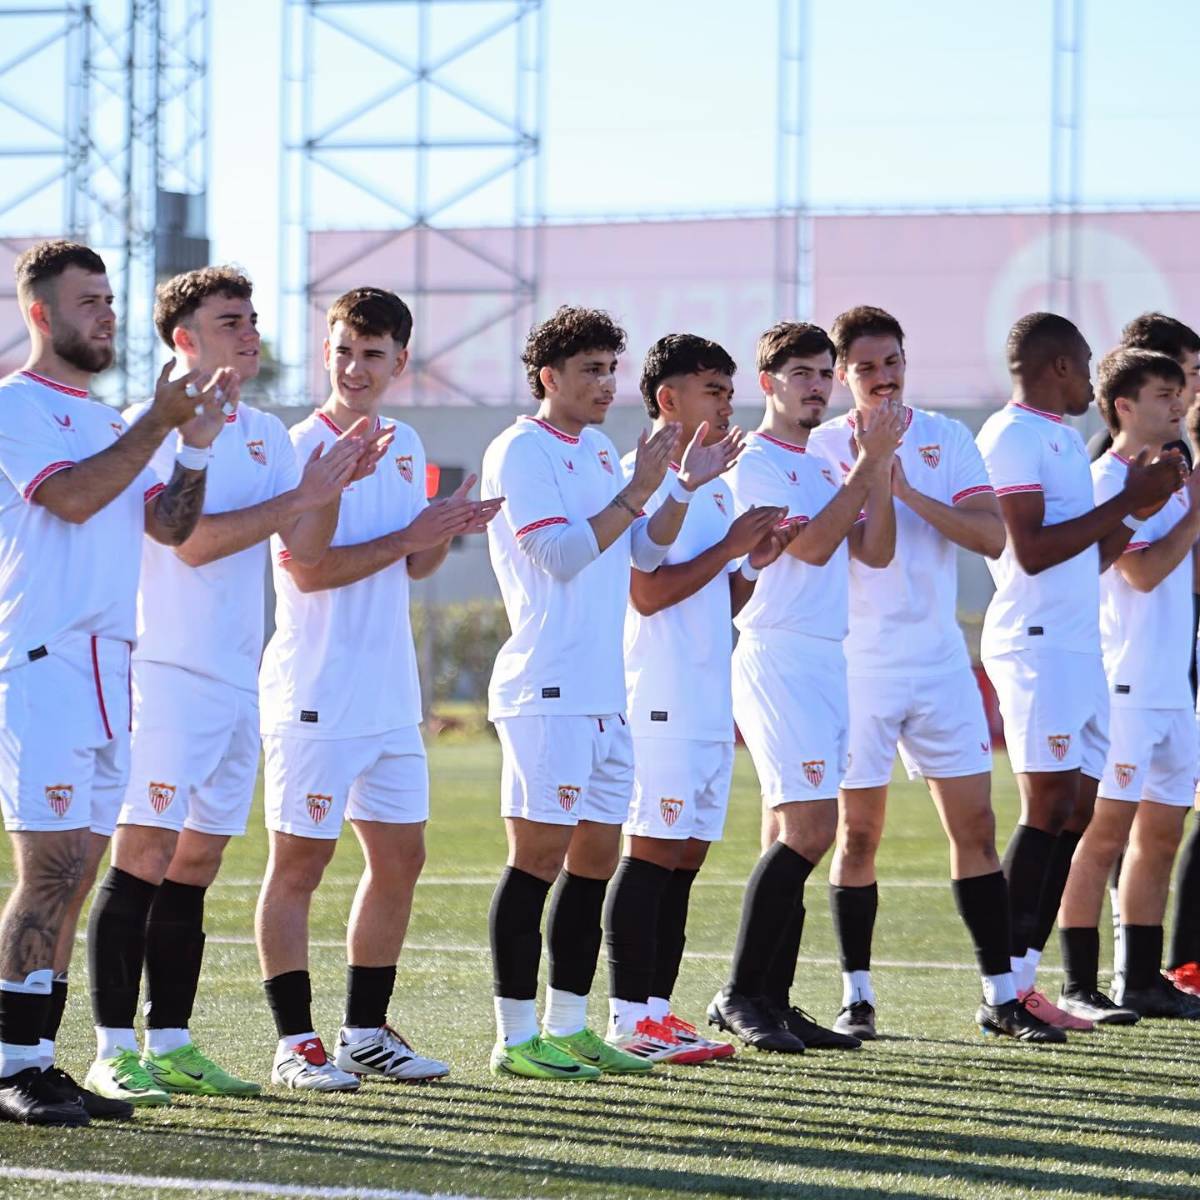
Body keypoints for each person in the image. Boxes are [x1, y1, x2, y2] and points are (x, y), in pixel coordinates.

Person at [83, 266, 382, 1106]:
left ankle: (172, 1040)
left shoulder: (268, 431)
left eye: (251, 319)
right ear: (184, 340)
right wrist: (303, 496)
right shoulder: (157, 426)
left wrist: (334, 483)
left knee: (198, 860)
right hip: (166, 673)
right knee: (141, 853)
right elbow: (193, 544)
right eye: (228, 321)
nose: (250, 332)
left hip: (235, 679)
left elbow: (303, 541)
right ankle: (112, 1048)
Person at [481, 306, 741, 1081]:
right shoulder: (520, 449)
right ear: (547, 377)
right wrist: (636, 490)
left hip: (604, 689)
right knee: (535, 861)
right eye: (590, 370)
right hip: (546, 685)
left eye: (609, 370)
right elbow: (560, 554)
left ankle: (569, 1024)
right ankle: (515, 1037)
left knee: (593, 863)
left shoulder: (597, 449)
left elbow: (645, 546)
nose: (604, 385)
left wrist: (681, 487)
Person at [0, 240, 225, 1125]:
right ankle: (11, 1063)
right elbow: (72, 500)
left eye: (109, 300)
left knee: (80, 872)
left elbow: (167, 525)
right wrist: (159, 424)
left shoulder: (103, 417)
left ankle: (37, 1058)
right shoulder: (17, 404)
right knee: (48, 869)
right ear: (40, 315)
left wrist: (196, 448)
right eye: (87, 301)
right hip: (45, 663)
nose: (107, 315)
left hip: (109, 668)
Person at [255, 287, 498, 1090]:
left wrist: (444, 529)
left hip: (389, 694)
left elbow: (413, 560)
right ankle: (296, 1043)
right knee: (299, 867)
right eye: (343, 350)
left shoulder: (405, 439)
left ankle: (365, 1032)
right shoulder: (297, 447)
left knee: (401, 857)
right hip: (314, 691)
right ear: (327, 352)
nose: (355, 367)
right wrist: (410, 535)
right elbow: (311, 569)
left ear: (399, 361)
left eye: (373, 354)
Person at [806, 307, 1033, 1041]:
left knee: (976, 823)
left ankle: (1002, 996)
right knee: (859, 833)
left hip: (938, 661)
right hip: (857, 663)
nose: (884, 375)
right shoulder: (820, 445)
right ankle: (857, 995)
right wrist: (872, 472)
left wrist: (903, 489)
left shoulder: (946, 437)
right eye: (867, 366)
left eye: (893, 360)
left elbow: (992, 534)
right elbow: (839, 545)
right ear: (844, 375)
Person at [976, 312, 1183, 1031]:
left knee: (1078, 810)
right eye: (1086, 362)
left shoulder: (1061, 439)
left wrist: (1139, 506)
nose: (1093, 378)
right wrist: (1131, 500)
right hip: (1034, 642)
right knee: (1047, 808)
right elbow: (1028, 550)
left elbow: (1089, 557)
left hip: (1076, 644)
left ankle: (1027, 982)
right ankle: (1004, 991)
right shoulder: (1010, 435)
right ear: (1059, 365)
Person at [707, 320, 904, 1052]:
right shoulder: (756, 460)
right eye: (802, 374)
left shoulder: (825, 464)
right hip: (778, 652)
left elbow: (875, 552)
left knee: (792, 833)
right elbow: (812, 550)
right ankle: (737, 995)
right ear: (769, 384)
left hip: (827, 657)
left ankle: (773, 999)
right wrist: (864, 469)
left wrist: (875, 470)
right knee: (814, 831)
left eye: (826, 374)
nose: (818, 386)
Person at [603, 333, 796, 1064]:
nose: (726, 400)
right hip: (658, 692)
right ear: (668, 400)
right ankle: (629, 1019)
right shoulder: (641, 478)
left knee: (685, 855)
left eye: (726, 387)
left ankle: (658, 1010)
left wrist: (754, 559)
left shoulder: (718, 482)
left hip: (708, 689)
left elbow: (718, 596)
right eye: (711, 388)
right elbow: (647, 591)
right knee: (651, 848)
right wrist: (727, 551)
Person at [1055, 348, 1200, 1022]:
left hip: (1172, 684)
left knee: (1161, 836)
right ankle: (1079, 984)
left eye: (1181, 393)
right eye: (1166, 394)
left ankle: (1141, 977)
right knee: (1101, 835)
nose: (1179, 405)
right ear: (1123, 406)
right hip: (1121, 686)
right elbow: (1140, 574)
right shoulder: (1108, 480)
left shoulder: (1172, 475)